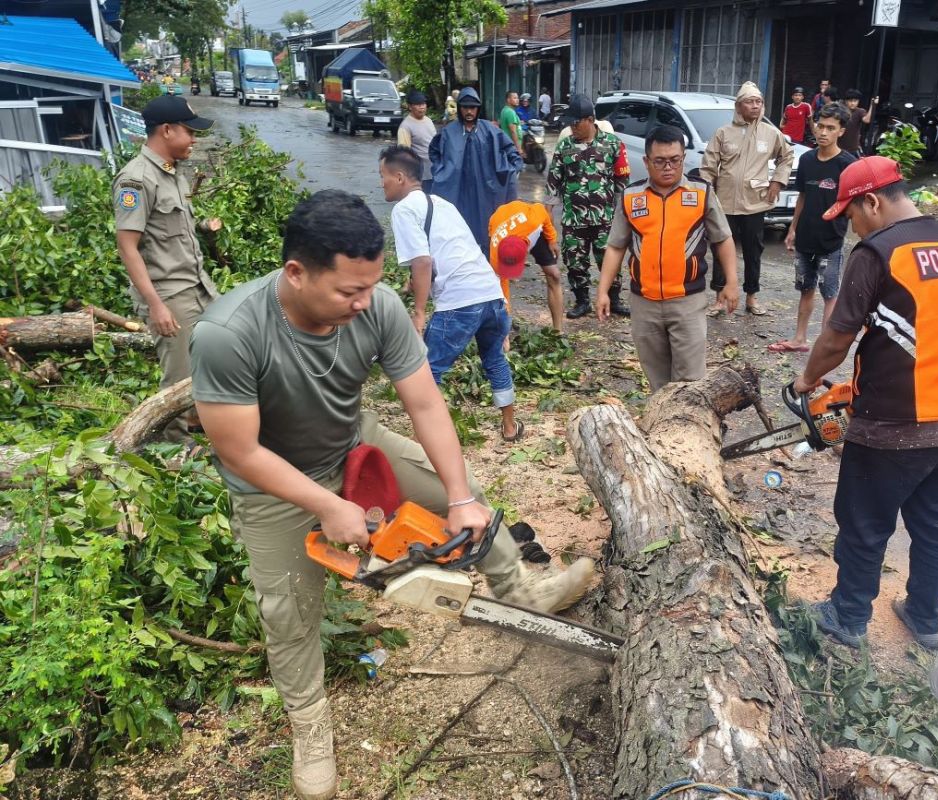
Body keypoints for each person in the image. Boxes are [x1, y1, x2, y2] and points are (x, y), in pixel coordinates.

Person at [190, 189, 593, 800]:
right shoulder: (228, 333)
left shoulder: (377, 306)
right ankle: (311, 732)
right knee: (288, 610)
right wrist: (327, 506)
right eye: (347, 291)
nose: (362, 302)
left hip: (355, 445)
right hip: (272, 481)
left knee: (465, 499)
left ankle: (523, 594)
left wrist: (458, 496)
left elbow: (425, 401)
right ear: (295, 273)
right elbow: (240, 450)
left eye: (370, 286)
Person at [792, 155, 938, 651]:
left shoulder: (878, 253)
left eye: (851, 215)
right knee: (937, 519)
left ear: (872, 202)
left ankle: (848, 615)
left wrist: (806, 380)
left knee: (863, 519)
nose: (852, 227)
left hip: (896, 423)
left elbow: (838, 338)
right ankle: (926, 617)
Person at [382, 145, 524, 442]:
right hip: (491, 293)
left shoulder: (404, 209)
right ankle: (510, 427)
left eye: (382, 175)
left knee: (426, 370)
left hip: (460, 303)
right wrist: (412, 287)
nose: (380, 182)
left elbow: (423, 261)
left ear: (399, 177)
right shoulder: (442, 204)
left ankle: (428, 440)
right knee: (494, 358)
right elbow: (445, 257)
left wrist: (419, 313)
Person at [597, 125, 738, 392]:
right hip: (644, 304)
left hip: (688, 303)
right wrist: (603, 290)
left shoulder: (700, 192)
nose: (668, 167)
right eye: (660, 161)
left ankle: (689, 430)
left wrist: (731, 282)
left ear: (684, 158)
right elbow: (615, 246)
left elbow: (723, 239)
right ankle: (661, 429)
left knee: (690, 383)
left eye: (675, 160)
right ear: (646, 161)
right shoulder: (631, 196)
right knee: (658, 383)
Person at [113, 95, 221, 441]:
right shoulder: (135, 180)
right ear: (167, 130)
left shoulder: (174, 173)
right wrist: (155, 304)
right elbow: (127, 247)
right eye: (189, 132)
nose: (194, 140)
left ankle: (198, 422)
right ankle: (173, 452)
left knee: (219, 356)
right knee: (177, 377)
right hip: (169, 294)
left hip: (198, 286)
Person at [700, 81, 793, 317]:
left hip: (754, 203)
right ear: (739, 106)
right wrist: (706, 195)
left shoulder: (770, 133)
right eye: (750, 102)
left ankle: (752, 297)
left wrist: (777, 181)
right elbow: (709, 167)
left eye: (759, 102)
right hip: (724, 202)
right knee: (721, 249)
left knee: (754, 251)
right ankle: (719, 298)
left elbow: (786, 156)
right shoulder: (724, 133)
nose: (755, 106)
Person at [773, 103, 856, 354]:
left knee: (829, 293)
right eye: (820, 126)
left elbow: (852, 203)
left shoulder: (847, 164)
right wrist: (792, 228)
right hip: (805, 237)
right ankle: (799, 338)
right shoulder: (807, 159)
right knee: (805, 290)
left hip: (831, 239)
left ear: (841, 131)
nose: (823, 132)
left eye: (831, 128)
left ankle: (824, 343)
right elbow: (803, 197)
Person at [546, 93, 631, 320]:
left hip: (606, 219)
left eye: (576, 123)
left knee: (610, 260)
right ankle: (582, 300)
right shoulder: (565, 146)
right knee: (575, 261)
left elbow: (623, 184)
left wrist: (625, 217)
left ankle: (614, 299)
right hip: (574, 220)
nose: (572, 127)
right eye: (570, 123)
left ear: (590, 120)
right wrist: (549, 223)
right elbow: (553, 184)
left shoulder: (613, 144)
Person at [429, 87, 523, 252]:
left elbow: (509, 148)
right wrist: (441, 171)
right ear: (460, 109)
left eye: (472, 107)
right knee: (460, 226)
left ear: (478, 109)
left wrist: (514, 167)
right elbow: (434, 151)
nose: (469, 111)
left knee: (486, 225)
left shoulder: (490, 130)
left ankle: (486, 259)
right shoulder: (449, 132)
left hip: (485, 189)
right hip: (458, 189)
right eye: (465, 107)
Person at [489, 199, 565, 332]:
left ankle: (558, 332)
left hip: (528, 227)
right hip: (500, 220)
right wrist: (504, 331)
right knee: (500, 288)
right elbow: (503, 294)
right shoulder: (495, 257)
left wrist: (552, 239)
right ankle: (503, 325)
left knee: (555, 275)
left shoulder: (533, 220)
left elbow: (543, 210)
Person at [396, 89, 437, 193]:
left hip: (434, 171)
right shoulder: (405, 126)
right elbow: (404, 154)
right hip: (419, 177)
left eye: (423, 104)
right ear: (410, 107)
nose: (422, 107)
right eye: (418, 104)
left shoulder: (428, 121)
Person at [840, 90, 876, 155]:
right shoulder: (841, 111)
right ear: (846, 101)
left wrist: (872, 105)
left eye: (855, 101)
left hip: (853, 148)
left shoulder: (860, 111)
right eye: (850, 101)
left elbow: (867, 120)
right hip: (839, 147)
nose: (853, 103)